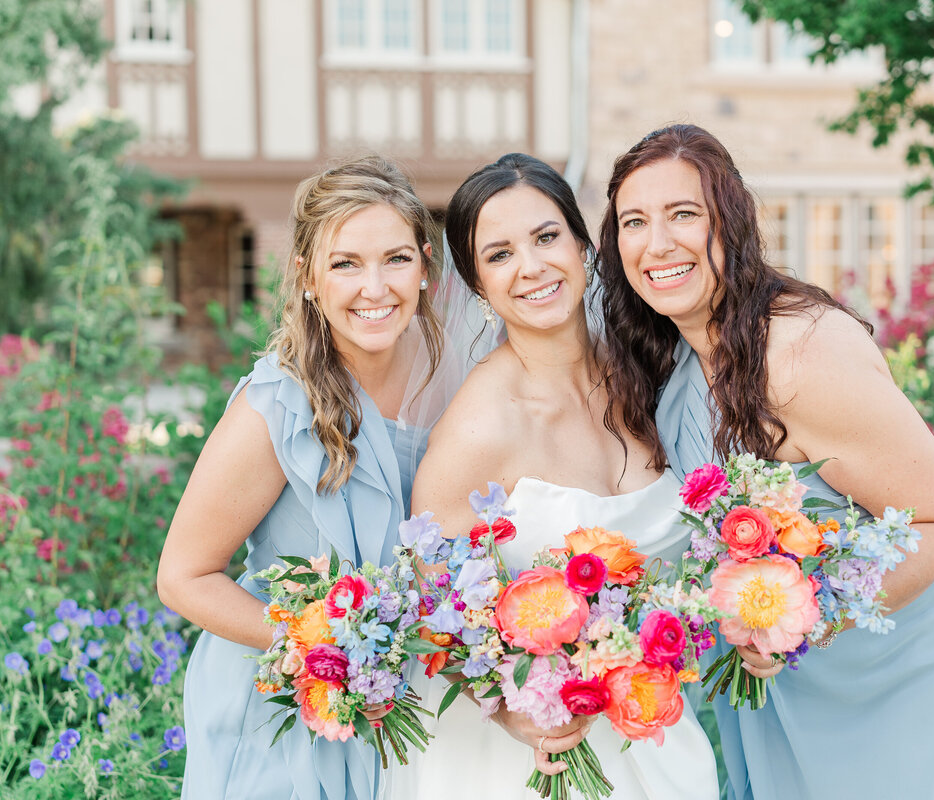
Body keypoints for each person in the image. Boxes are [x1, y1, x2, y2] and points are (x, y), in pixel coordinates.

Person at [597, 124, 934, 800]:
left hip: (913, 659)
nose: (658, 244)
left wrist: (796, 625)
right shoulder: (677, 358)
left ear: (730, 224)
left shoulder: (800, 352)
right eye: (634, 221)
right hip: (790, 679)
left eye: (684, 214)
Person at [377, 153, 720, 800]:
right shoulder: (480, 428)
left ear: (586, 245)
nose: (532, 267)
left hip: (652, 729)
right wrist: (512, 710)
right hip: (526, 762)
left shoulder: (655, 379)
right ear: (477, 284)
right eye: (500, 254)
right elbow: (429, 599)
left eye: (545, 237)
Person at [157, 155, 455, 800]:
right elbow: (182, 576)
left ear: (426, 267)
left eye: (396, 259)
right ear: (308, 278)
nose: (374, 287)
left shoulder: (460, 385)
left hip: (406, 708)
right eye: (345, 263)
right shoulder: (275, 407)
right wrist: (322, 647)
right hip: (282, 711)